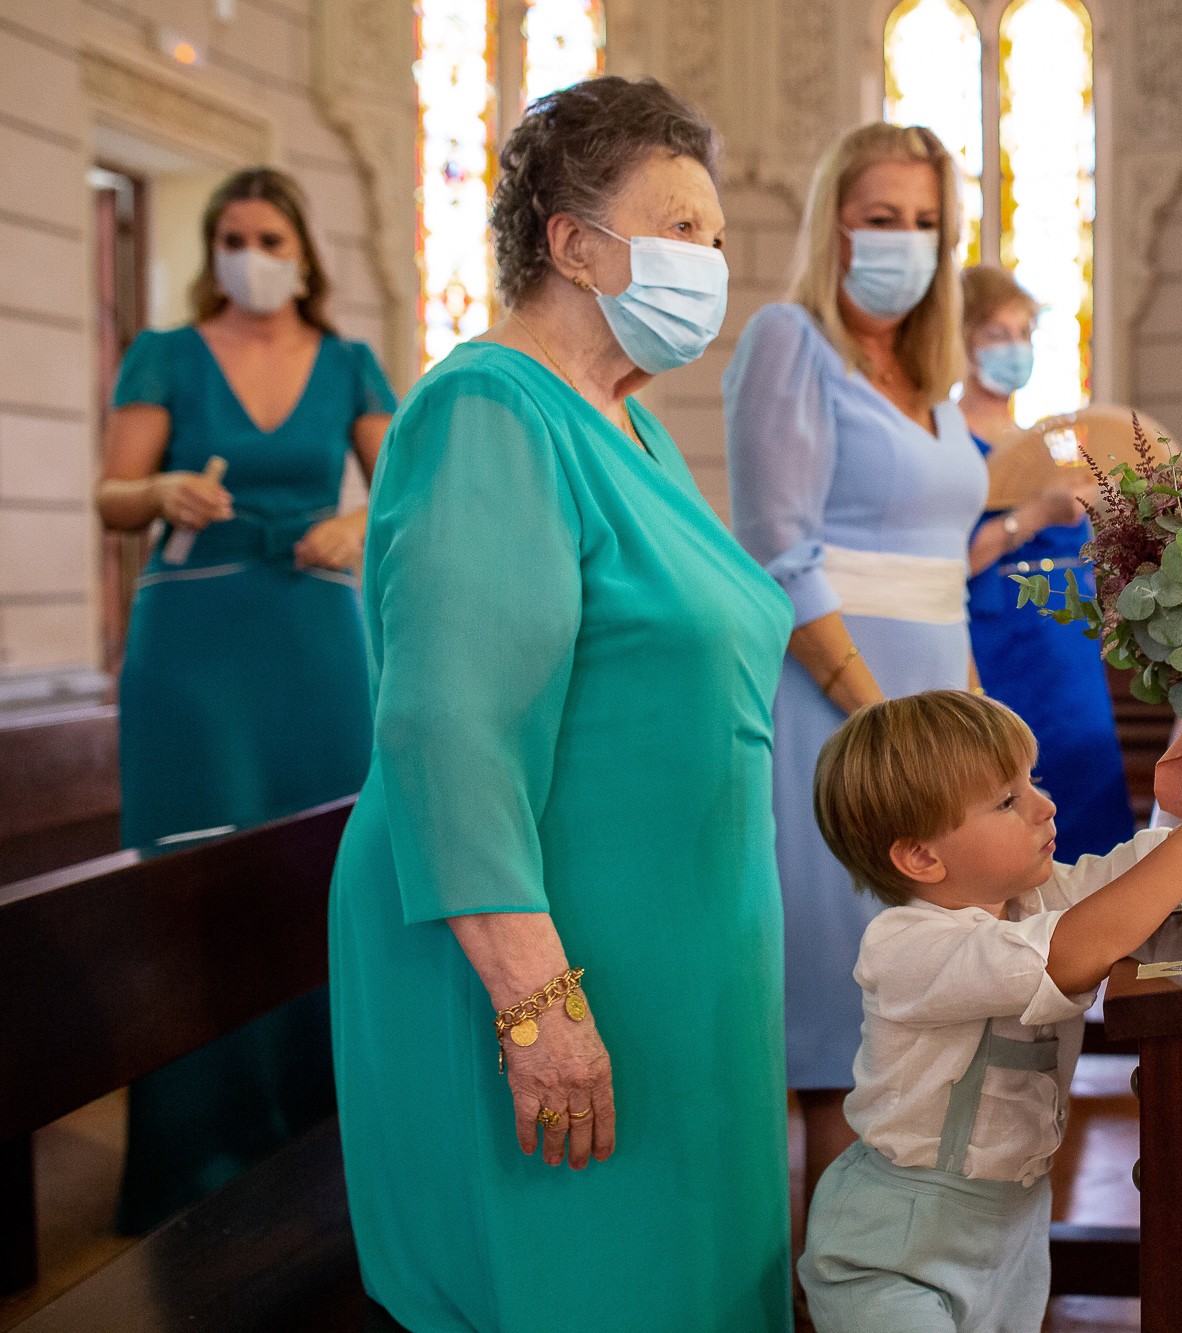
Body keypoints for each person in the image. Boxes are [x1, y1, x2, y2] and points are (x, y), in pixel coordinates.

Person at [328, 77, 793, 1330]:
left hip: (675, 956)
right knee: (585, 1284)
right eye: (681, 226)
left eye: (714, 234)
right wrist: (536, 1003)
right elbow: (449, 727)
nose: (712, 259)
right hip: (550, 968)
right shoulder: (489, 410)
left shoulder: (632, 426)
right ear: (575, 244)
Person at [95, 166, 395, 1233]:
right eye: (232, 235)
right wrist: (159, 489)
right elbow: (110, 493)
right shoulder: (165, 355)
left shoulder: (351, 363)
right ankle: (196, 1157)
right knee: (198, 875)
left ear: (302, 252)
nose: (250, 252)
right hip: (194, 646)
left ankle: (324, 1140)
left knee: (324, 864)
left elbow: (402, 488)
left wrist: (358, 526)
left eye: (269, 235)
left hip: (317, 639)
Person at [799, 691, 1182, 1332]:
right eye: (1008, 801)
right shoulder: (905, 947)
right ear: (921, 857)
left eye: (1032, 781)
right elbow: (1067, 954)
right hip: (898, 1246)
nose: (1044, 806)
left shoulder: (1035, 894)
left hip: (1015, 1226)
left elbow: (1125, 885)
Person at [723, 124, 989, 1220]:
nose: (904, 242)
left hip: (937, 702)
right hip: (840, 720)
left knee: (935, 1013)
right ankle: (829, 1286)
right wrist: (888, 726)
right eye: (881, 218)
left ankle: (907, 1273)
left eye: (924, 223)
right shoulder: (791, 340)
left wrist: (974, 733)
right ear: (834, 224)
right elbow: (778, 550)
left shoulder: (933, 379)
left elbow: (942, 570)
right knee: (849, 1028)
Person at [959, 265, 1133, 860]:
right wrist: (1031, 515)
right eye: (995, 334)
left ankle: (1096, 945)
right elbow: (946, 561)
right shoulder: (946, 443)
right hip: (1000, 651)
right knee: (1008, 806)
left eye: (1023, 333)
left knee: (1089, 819)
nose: (1014, 348)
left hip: (1071, 654)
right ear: (958, 343)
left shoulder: (1043, 441)